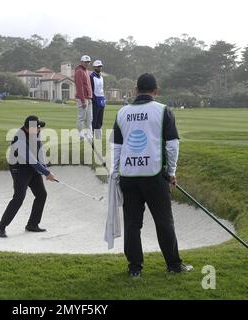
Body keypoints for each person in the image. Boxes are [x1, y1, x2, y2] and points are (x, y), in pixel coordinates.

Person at [112, 73, 193, 278]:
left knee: (132, 223)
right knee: (164, 221)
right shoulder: (163, 110)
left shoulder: (122, 113)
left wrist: (115, 173)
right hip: (154, 175)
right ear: (156, 91)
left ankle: (134, 268)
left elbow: (116, 147)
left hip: (129, 175)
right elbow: (172, 145)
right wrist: (172, 172)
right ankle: (174, 265)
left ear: (135, 90)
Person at [0, 116, 57, 238]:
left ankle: (32, 224)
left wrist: (45, 170)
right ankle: (1, 227)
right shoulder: (19, 139)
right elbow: (32, 160)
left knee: (41, 194)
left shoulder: (35, 133)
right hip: (19, 169)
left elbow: (40, 151)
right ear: (28, 128)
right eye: (37, 127)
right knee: (19, 197)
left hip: (31, 168)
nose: (39, 130)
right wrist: (45, 173)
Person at [74, 55, 93, 140]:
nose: (87, 63)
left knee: (89, 118)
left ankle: (90, 136)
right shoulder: (79, 71)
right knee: (81, 118)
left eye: (88, 62)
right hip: (83, 98)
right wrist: (83, 100)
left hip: (88, 98)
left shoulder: (86, 71)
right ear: (81, 62)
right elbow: (79, 86)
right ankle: (81, 136)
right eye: (85, 62)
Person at [90, 60, 106, 140]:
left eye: (100, 66)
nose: (100, 68)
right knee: (94, 119)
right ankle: (92, 135)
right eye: (98, 66)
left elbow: (101, 89)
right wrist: (94, 99)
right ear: (94, 67)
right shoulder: (91, 76)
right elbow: (91, 90)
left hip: (101, 99)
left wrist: (103, 99)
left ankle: (98, 137)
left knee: (100, 120)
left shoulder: (101, 77)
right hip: (95, 100)